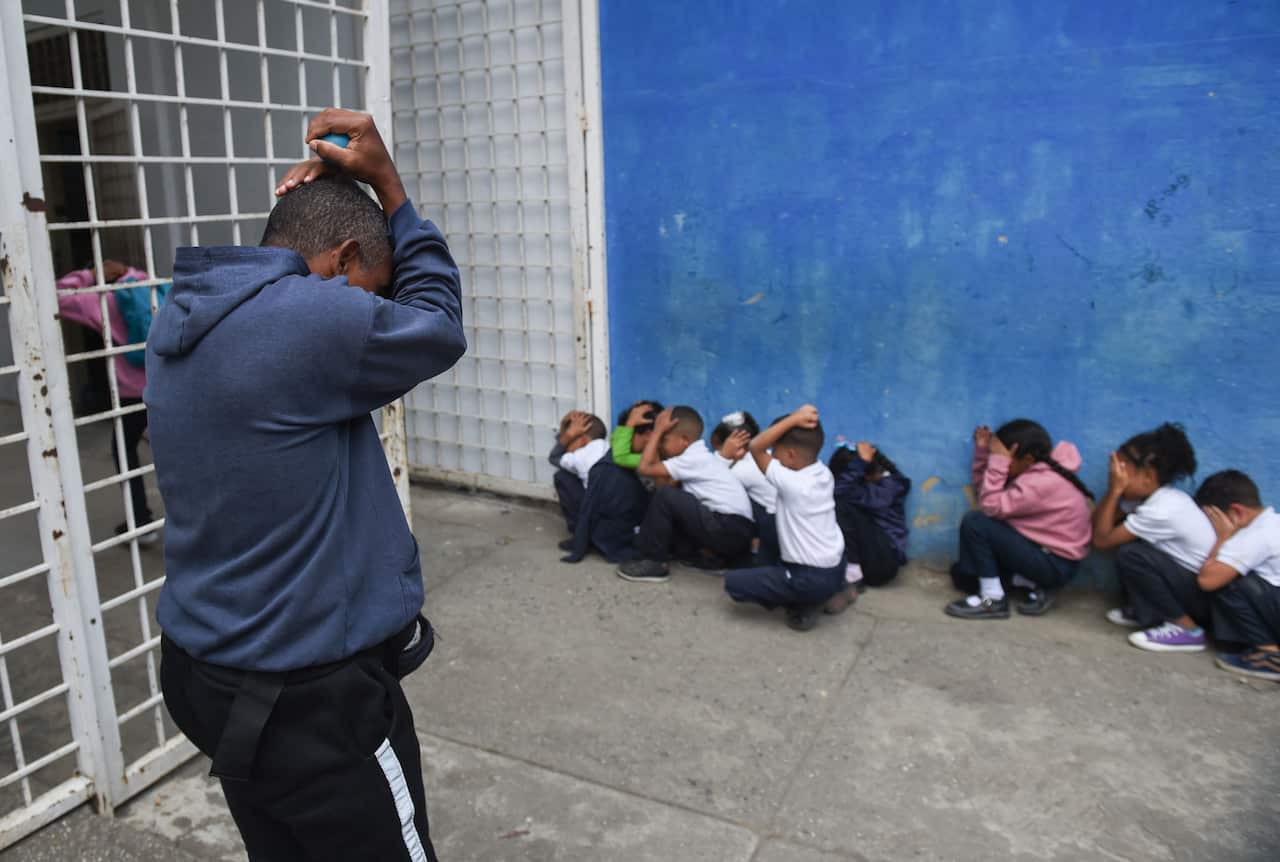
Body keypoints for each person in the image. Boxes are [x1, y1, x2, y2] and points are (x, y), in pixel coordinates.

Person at [147, 108, 464, 861]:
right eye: (373, 290)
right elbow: (438, 323)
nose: (375, 309)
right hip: (310, 701)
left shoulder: (187, 315)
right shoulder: (307, 321)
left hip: (207, 674)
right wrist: (387, 183)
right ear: (344, 259)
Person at [56, 260, 160, 544]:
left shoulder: (105, 299)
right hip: (166, 384)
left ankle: (141, 522)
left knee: (125, 453)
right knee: (177, 453)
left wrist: (88, 275)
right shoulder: (148, 286)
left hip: (130, 393)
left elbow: (55, 297)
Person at [946, 419, 1092, 620]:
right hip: (1042, 555)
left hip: (1054, 563)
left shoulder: (1041, 483)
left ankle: (992, 601)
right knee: (964, 576)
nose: (999, 462)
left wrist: (998, 463)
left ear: (1028, 459)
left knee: (976, 522)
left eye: (1004, 458)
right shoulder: (1034, 473)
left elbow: (989, 508)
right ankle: (1032, 585)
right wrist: (983, 453)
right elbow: (986, 493)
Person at [1092, 423, 1215, 653]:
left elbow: (1101, 541)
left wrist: (1115, 490)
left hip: (1205, 599)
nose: (1115, 474)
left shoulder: (1162, 510)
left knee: (1132, 555)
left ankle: (1187, 629)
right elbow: (1098, 525)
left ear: (1148, 475)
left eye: (1122, 469)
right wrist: (1115, 493)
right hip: (1189, 586)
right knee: (1129, 543)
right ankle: (1147, 612)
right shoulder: (1148, 499)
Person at [723, 405, 847, 631]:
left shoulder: (793, 483)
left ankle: (806, 603)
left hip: (810, 576)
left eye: (775, 451)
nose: (772, 455)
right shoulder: (822, 472)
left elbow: (755, 447)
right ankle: (834, 588)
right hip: (837, 564)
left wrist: (794, 419)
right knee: (770, 520)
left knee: (733, 583)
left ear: (791, 455)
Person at [616, 406, 754, 582]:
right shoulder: (695, 457)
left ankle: (653, 562)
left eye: (664, 439)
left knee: (667, 496)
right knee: (668, 497)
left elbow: (645, 468)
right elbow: (662, 487)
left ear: (684, 440)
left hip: (730, 528)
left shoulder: (693, 459)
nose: (659, 445)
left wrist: (657, 432)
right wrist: (659, 436)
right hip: (735, 531)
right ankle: (712, 559)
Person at [1194, 470, 1280, 681]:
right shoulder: (1274, 523)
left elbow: (1207, 580)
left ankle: (1271, 656)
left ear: (1236, 513)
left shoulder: (1258, 534)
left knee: (1229, 583)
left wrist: (1223, 537)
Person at [830, 438, 911, 593]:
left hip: (883, 563)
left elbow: (837, 492)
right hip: (871, 558)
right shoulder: (866, 487)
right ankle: (849, 570)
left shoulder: (887, 487)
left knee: (840, 505)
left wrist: (860, 463)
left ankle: (853, 574)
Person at [710, 411, 779, 564]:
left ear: (737, 447)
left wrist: (723, 458)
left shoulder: (742, 469)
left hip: (773, 525)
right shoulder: (765, 454)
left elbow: (712, 483)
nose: (717, 453)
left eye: (720, 449)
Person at [549, 410, 609, 537]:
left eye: (569, 439)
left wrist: (568, 434)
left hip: (600, 519)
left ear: (582, 439)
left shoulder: (580, 457)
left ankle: (579, 533)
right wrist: (565, 428)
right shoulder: (607, 446)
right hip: (617, 515)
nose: (566, 445)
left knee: (561, 476)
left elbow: (554, 457)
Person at [610, 400, 664, 471]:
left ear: (648, 435)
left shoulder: (656, 458)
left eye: (629, 434)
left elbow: (620, 456)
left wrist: (630, 423)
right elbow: (615, 443)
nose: (625, 441)